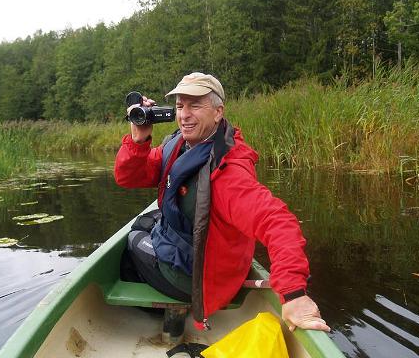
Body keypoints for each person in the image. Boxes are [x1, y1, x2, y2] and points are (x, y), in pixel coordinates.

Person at [114, 72, 330, 333]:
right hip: (204, 255)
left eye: (195, 105)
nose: (184, 115)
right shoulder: (180, 144)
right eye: (180, 106)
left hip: (198, 278)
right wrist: (139, 140)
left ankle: (161, 317)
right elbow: (129, 177)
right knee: (148, 220)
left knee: (134, 237)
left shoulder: (227, 173)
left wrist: (294, 293)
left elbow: (278, 222)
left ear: (218, 112)